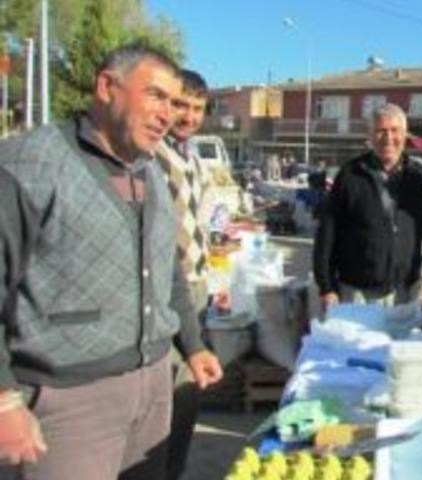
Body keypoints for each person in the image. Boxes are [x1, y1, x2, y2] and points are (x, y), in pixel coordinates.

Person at [0, 43, 222, 480]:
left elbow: (167, 269)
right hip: (69, 402)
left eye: (176, 103)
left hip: (152, 387)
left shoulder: (150, 171)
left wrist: (192, 346)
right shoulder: (30, 164)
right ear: (107, 87)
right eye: (156, 96)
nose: (169, 114)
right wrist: (5, 400)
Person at [313, 103, 422, 309]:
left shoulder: (419, 177)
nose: (388, 138)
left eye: (394, 130)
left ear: (405, 135)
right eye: (380, 131)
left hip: (406, 291)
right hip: (358, 291)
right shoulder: (350, 176)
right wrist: (326, 286)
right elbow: (327, 234)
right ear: (370, 136)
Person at [153, 68, 213, 480]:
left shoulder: (190, 155)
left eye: (197, 109)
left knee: (188, 393)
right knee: (163, 399)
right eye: (182, 106)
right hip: (165, 290)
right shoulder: (152, 153)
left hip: (197, 285)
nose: (189, 116)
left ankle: (174, 470)